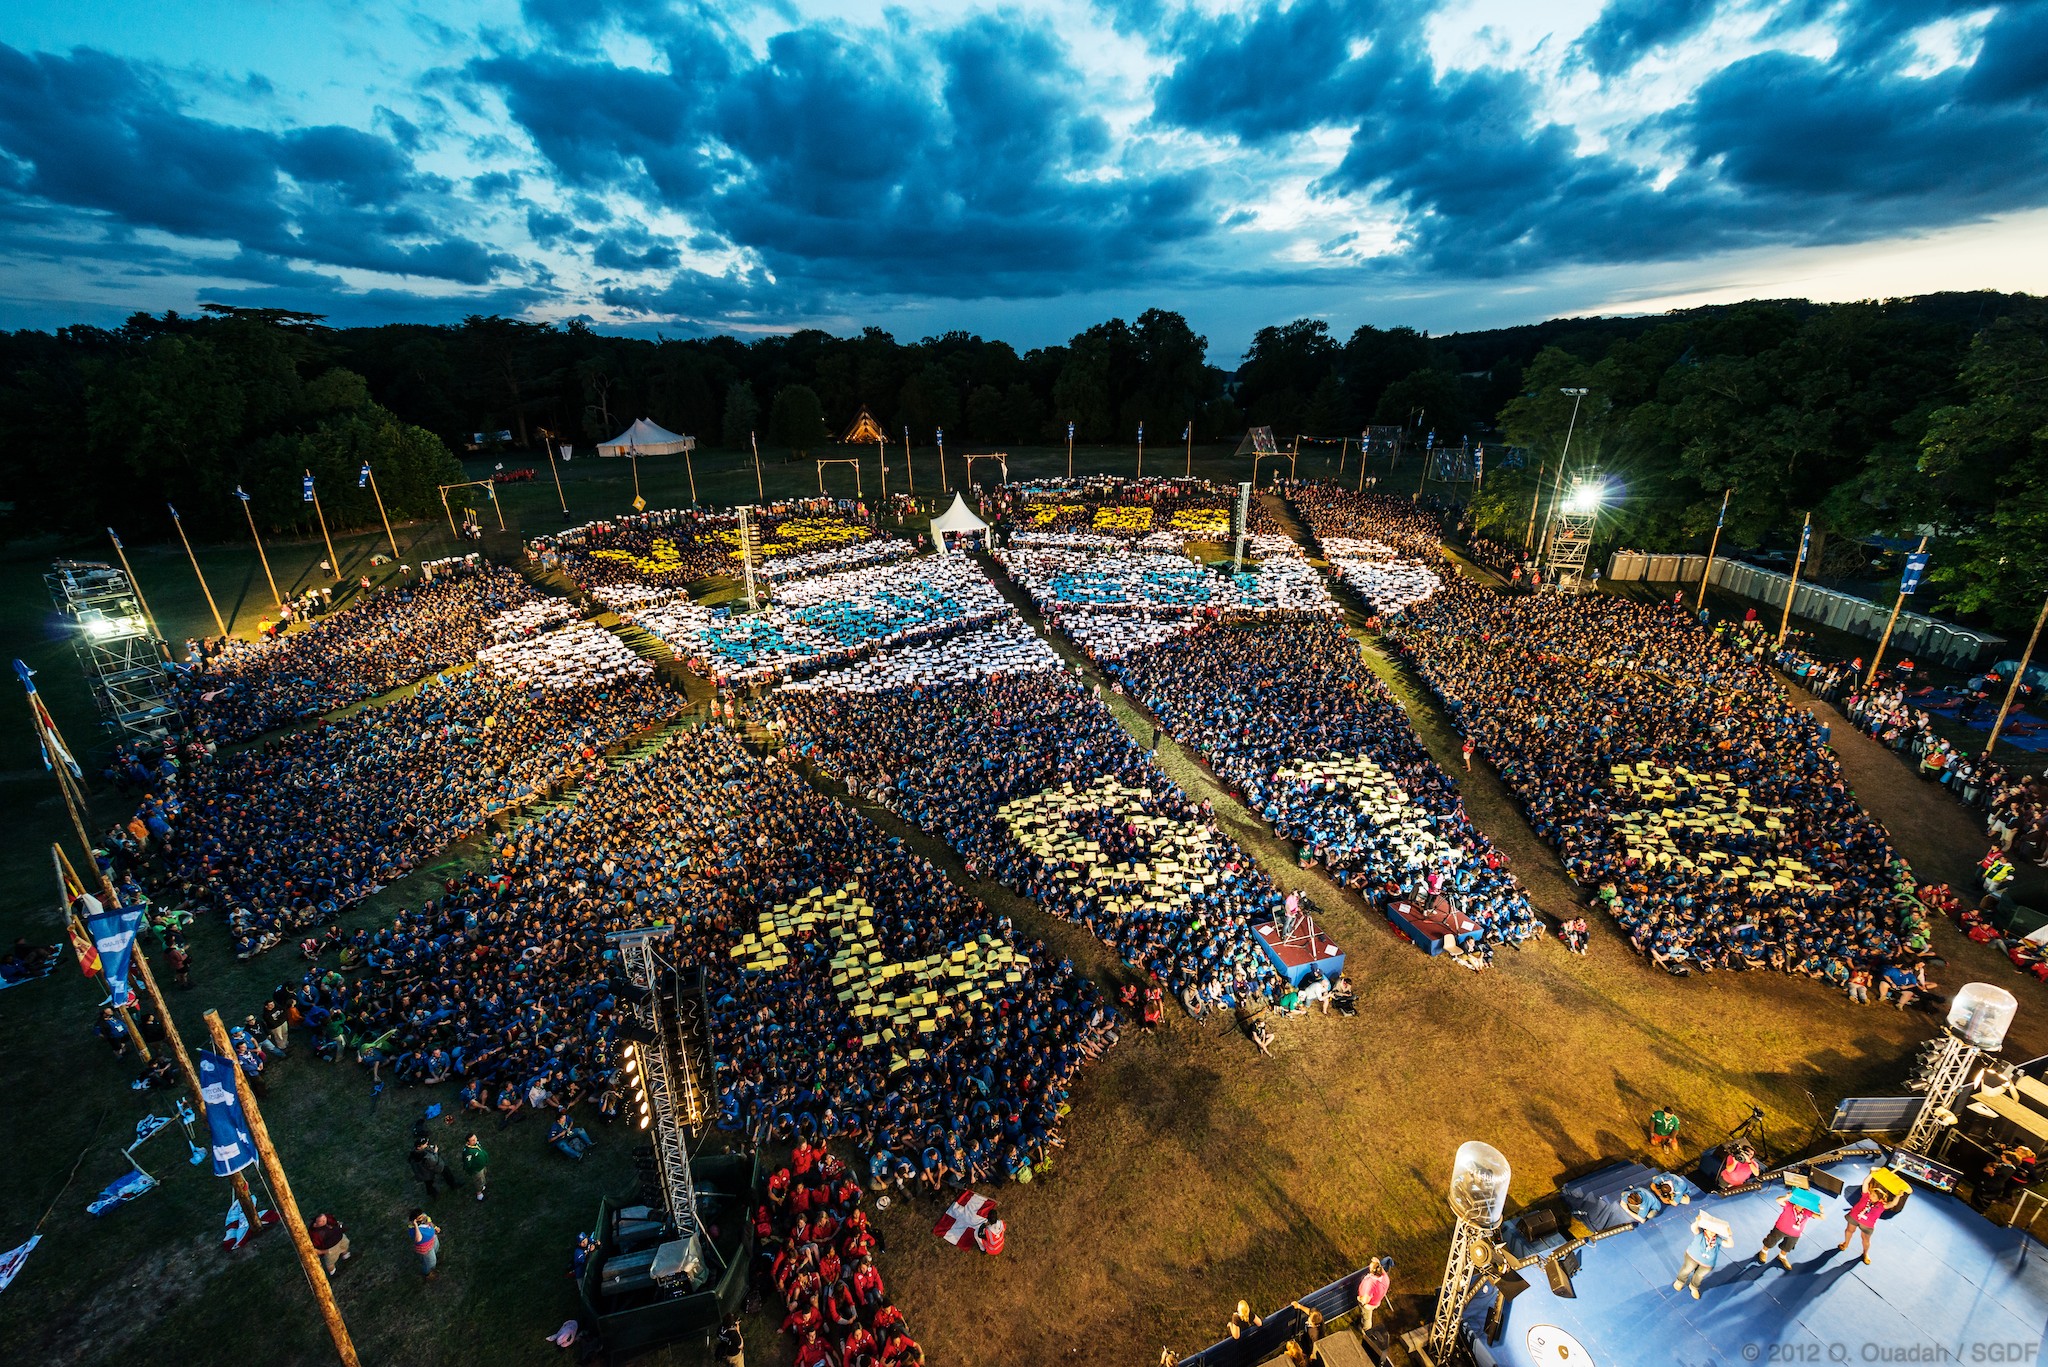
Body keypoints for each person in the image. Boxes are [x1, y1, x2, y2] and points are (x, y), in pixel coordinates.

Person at [1837, 1173, 1899, 1264]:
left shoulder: (1882, 1206)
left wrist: (1898, 1196)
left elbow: (1893, 1204)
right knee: (1849, 1230)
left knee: (1865, 1239)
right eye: (1872, 1194)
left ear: (1879, 1199)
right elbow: (1865, 1182)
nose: (1871, 1195)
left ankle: (1865, 1253)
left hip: (1867, 1225)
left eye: (1873, 1195)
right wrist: (1872, 1174)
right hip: (1854, 1217)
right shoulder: (1866, 1196)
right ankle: (1846, 1243)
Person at [1755, 1188, 1822, 1270]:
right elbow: (1778, 1200)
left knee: (1788, 1246)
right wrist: (1786, 1197)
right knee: (1771, 1241)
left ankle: (1782, 1256)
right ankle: (1764, 1251)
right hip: (1780, 1228)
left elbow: (1822, 1218)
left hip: (1795, 1234)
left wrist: (1822, 1211)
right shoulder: (1789, 1205)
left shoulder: (1807, 1211)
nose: (1801, 1204)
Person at [1672, 1214, 1723, 1298]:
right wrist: (1697, 1221)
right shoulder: (1700, 1234)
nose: (1712, 1233)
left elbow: (1729, 1245)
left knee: (1699, 1276)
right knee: (1687, 1269)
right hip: (1693, 1257)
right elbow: (1693, 1228)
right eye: (1710, 1230)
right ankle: (1680, 1281)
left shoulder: (1717, 1240)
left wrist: (1729, 1235)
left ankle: (1694, 1287)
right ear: (1705, 1229)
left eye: (1714, 1232)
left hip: (1707, 1264)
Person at [1357, 1258, 1390, 1332]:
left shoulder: (1371, 1284)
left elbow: (1365, 1300)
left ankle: (1366, 1330)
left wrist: (1360, 1299)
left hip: (1369, 1305)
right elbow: (1382, 1270)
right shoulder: (1385, 1277)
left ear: (1372, 1272)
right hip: (1377, 1301)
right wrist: (1378, 1262)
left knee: (1367, 1318)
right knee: (1367, 1316)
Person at [409, 1209, 442, 1279]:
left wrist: (435, 1227)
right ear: (415, 1220)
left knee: (436, 1249)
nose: (423, 1217)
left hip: (433, 1239)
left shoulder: (424, 1217)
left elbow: (430, 1223)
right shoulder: (413, 1230)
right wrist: (415, 1226)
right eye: (420, 1217)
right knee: (430, 1263)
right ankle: (427, 1273)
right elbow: (418, 1239)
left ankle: (429, 1258)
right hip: (426, 1248)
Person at [461, 1134, 490, 1201]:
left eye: (475, 1138)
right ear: (468, 1142)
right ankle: (479, 1194)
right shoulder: (468, 1152)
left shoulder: (476, 1144)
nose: (475, 1140)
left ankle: (482, 1186)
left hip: (482, 1166)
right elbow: (467, 1164)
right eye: (473, 1140)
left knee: (483, 1176)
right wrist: (472, 1171)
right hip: (477, 1170)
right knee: (478, 1181)